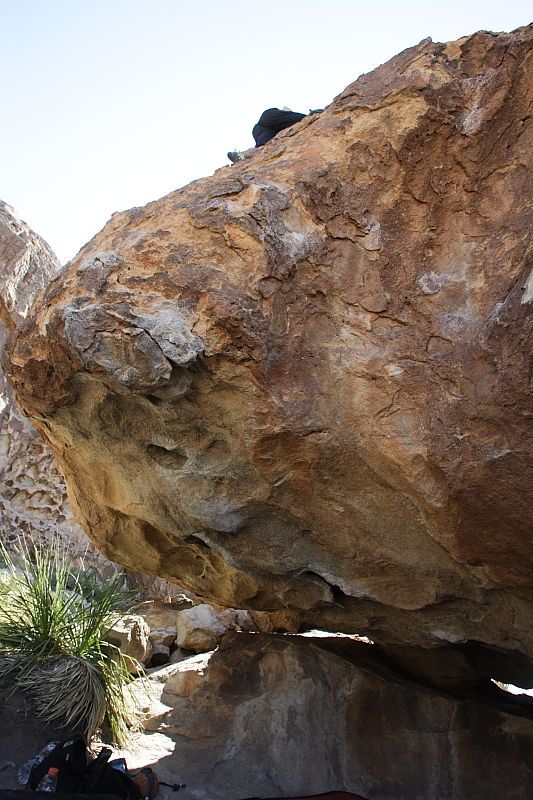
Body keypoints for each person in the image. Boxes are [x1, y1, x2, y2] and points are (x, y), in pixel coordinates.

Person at [228, 106, 323, 163]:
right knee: (301, 118)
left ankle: (240, 155)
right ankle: (311, 114)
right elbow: (289, 114)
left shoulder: (277, 125)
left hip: (259, 128)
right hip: (270, 117)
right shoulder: (282, 116)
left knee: (262, 148)